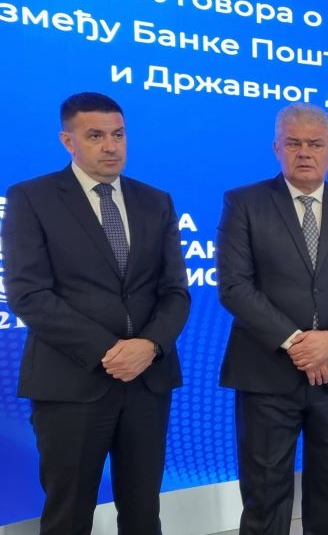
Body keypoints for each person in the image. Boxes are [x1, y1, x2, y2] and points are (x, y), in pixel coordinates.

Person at [3, 92, 190, 535]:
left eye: (118, 135)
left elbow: (175, 292)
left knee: (143, 512)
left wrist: (149, 346)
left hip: (147, 382)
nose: (111, 146)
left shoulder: (155, 201)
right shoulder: (32, 198)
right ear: (67, 141)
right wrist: (110, 351)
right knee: (68, 515)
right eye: (95, 136)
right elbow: (29, 293)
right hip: (71, 384)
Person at [217, 103, 328, 535]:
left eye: (315, 144)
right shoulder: (244, 203)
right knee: (264, 499)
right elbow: (234, 287)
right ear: (277, 148)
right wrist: (298, 343)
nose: (305, 152)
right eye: (294, 143)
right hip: (266, 374)